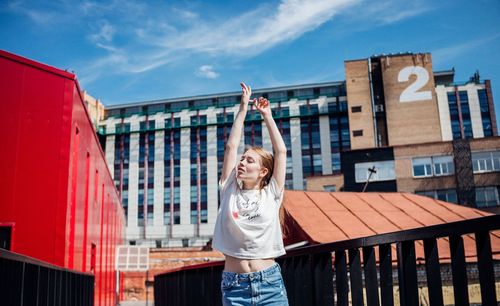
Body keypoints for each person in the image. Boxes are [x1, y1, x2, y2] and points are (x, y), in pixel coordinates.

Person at [213, 82, 289, 305]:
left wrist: (267, 115)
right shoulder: (229, 189)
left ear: (263, 171)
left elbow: (281, 152)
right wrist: (243, 108)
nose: (242, 162)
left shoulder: (272, 193)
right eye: (242, 158)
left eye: (250, 160)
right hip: (234, 287)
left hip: (270, 285)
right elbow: (230, 147)